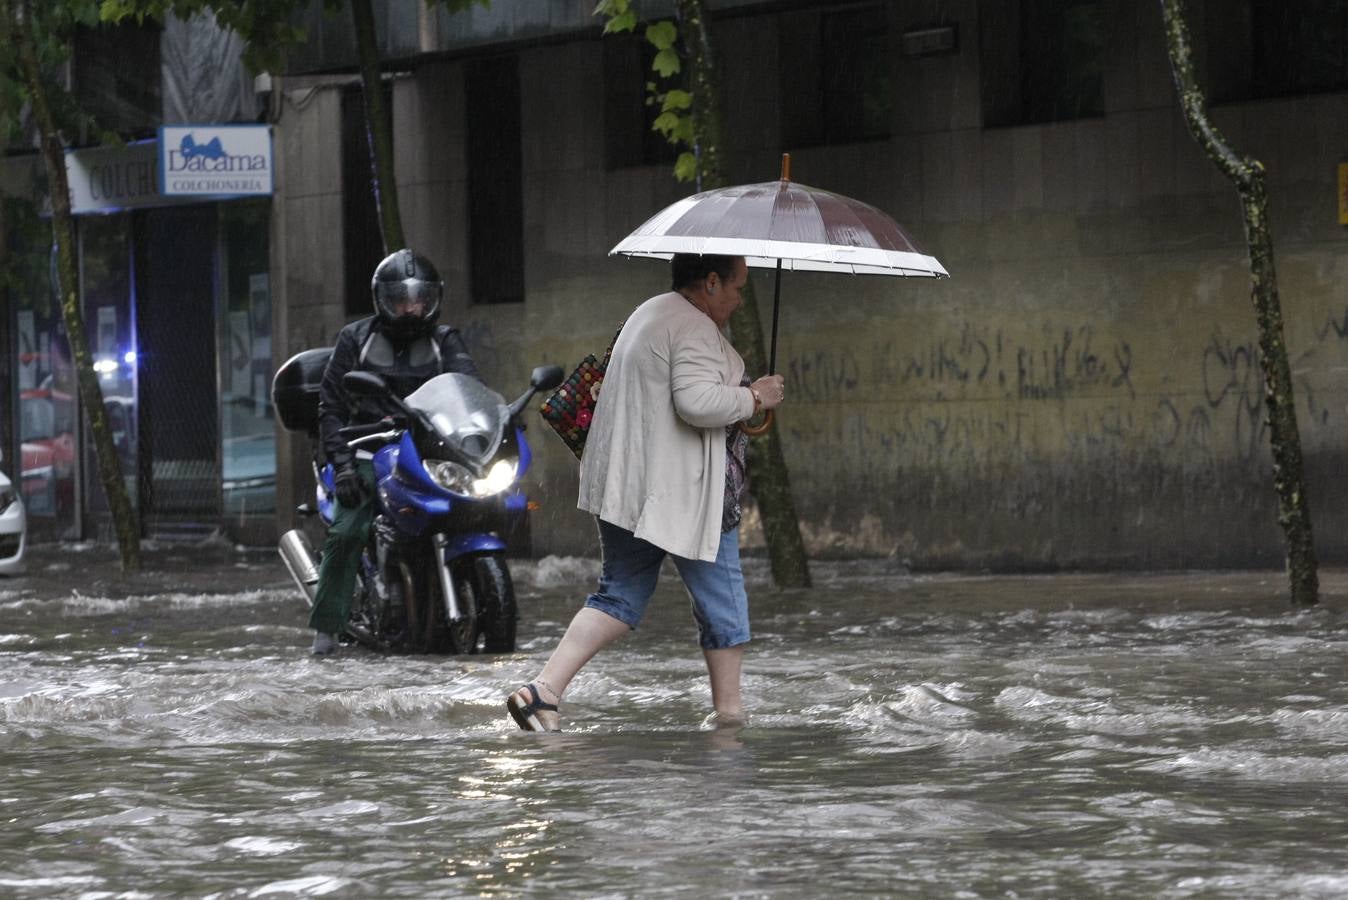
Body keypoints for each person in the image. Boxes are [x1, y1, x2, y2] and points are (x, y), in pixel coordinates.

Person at [507, 253, 785, 730]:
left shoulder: (649, 311)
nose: (741, 299)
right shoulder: (694, 327)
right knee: (725, 603)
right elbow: (695, 402)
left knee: (619, 596)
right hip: (681, 495)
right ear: (712, 282)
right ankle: (731, 721)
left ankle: (543, 692)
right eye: (738, 287)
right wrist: (755, 396)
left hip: (624, 488)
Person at [309, 248, 481, 655]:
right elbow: (330, 409)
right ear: (382, 299)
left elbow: (470, 388)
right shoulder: (356, 339)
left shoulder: (445, 341)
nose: (409, 308)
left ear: (433, 299)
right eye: (400, 299)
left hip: (430, 453)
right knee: (350, 529)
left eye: (418, 299)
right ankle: (327, 631)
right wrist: (344, 467)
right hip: (368, 451)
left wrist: (490, 423)